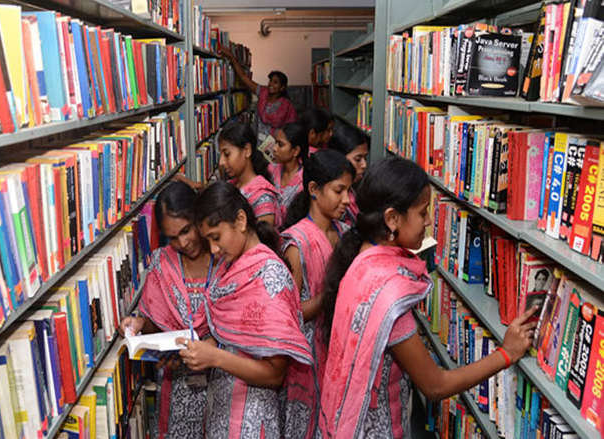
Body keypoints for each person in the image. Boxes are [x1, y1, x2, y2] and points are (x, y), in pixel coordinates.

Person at [318, 157, 538, 438]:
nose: (430, 221)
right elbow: (435, 386)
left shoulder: (362, 258)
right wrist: (506, 354)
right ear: (392, 219)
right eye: (423, 213)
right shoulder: (389, 296)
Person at [175, 181, 314, 439]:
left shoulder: (270, 277)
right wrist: (204, 347)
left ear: (240, 220)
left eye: (216, 237)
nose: (213, 249)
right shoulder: (230, 265)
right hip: (222, 409)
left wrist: (215, 357)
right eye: (208, 241)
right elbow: (230, 335)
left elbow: (275, 374)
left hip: (252, 418)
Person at [118, 181, 225, 439]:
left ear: (199, 217)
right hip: (178, 390)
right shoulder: (161, 263)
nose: (183, 242)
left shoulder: (225, 257)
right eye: (173, 237)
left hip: (224, 381)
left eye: (187, 230)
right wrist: (140, 325)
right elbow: (157, 324)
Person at [280, 150, 355, 437]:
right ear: (313, 189)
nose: (347, 199)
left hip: (340, 350)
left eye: (349, 191)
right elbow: (290, 313)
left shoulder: (346, 233)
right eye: (339, 190)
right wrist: (334, 294)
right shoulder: (297, 243)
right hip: (309, 358)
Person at [222, 47, 297, 142]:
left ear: (282, 87)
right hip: (257, 140)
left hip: (275, 144)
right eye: (270, 81)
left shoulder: (287, 105)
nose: (271, 84)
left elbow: (291, 128)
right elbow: (244, 77)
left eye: (275, 82)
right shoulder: (262, 92)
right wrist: (231, 57)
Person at [218, 122, 282, 227]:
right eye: (220, 155)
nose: (221, 162)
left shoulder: (263, 199)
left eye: (227, 154)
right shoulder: (230, 185)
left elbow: (263, 236)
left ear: (247, 150)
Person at [327, 121, 369, 226]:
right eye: (358, 159)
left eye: (365, 158)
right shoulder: (332, 200)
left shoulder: (354, 188)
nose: (364, 165)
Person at [269, 122, 308, 222]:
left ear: (296, 151)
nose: (274, 148)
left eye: (280, 145)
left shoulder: (304, 181)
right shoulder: (271, 170)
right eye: (275, 143)